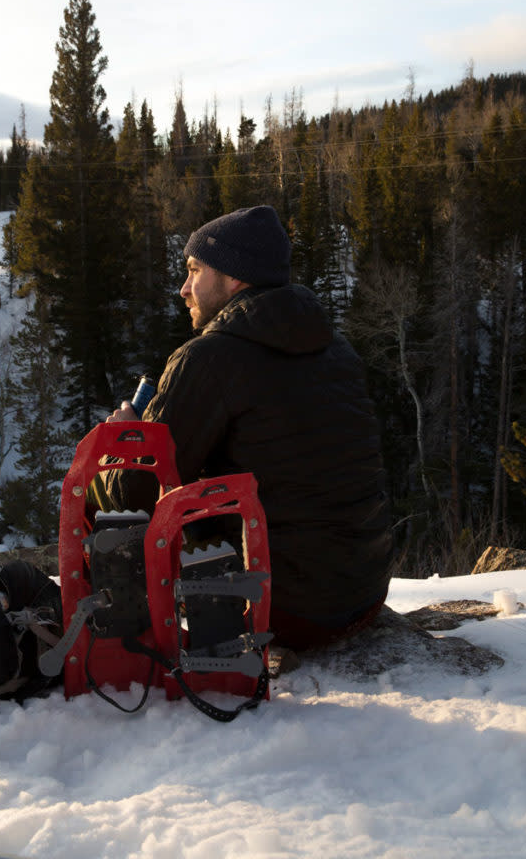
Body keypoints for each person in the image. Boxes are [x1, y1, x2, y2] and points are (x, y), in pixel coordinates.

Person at [101, 205, 393, 651]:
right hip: (363, 596)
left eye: (195, 270)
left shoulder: (209, 358)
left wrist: (122, 443)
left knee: (109, 497)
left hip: (282, 611)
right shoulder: (335, 348)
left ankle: (113, 638)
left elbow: (132, 499)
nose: (183, 289)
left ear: (235, 278)